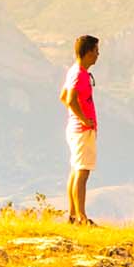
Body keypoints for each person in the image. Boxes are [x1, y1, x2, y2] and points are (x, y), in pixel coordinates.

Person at [60, 34, 100, 225]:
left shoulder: (73, 71)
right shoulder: (80, 74)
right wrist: (85, 119)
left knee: (76, 170)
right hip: (82, 129)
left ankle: (73, 215)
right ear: (88, 52)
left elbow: (63, 96)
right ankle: (81, 217)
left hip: (75, 128)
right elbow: (69, 99)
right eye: (96, 51)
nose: (98, 55)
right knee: (82, 173)